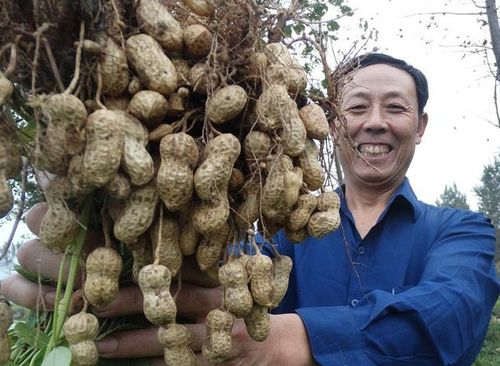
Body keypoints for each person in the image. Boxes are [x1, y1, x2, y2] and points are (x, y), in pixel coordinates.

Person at [2, 53, 499, 366]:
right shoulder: (268, 230)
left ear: (422, 124)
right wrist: (113, 227)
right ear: (329, 120)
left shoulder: (460, 231)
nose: (374, 123)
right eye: (355, 107)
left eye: (395, 107)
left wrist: (283, 341)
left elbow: (450, 315)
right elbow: (197, 279)